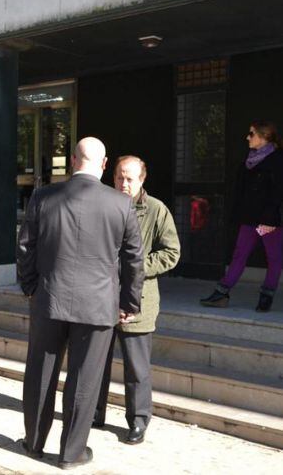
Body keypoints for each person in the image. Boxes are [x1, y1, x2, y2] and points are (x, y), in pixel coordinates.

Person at [17, 137, 144, 469]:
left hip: (49, 300)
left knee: (40, 375)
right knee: (84, 381)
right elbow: (134, 260)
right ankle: (71, 454)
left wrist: (30, 287)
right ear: (104, 166)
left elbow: (25, 247)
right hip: (98, 306)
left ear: (73, 161)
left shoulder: (43, 196)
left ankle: (33, 443)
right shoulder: (121, 204)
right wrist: (129, 303)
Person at [94, 156, 181, 444]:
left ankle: (138, 421)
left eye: (130, 178)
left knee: (137, 369)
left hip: (139, 302)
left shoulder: (156, 210)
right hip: (101, 298)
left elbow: (171, 253)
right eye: (120, 177)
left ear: (142, 179)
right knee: (95, 363)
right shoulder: (104, 205)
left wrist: (138, 266)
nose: (124, 183)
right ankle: (94, 414)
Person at [201, 121, 283, 312]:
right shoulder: (249, 160)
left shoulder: (277, 160)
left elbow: (278, 192)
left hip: (267, 221)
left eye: (251, 134)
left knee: (274, 258)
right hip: (249, 218)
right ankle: (221, 293)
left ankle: (266, 296)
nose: (247, 137)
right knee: (239, 255)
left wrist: (270, 220)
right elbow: (242, 193)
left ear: (263, 137)